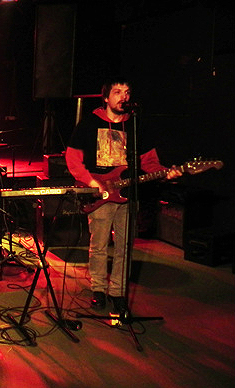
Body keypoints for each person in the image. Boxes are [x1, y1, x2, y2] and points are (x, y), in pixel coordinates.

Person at [65, 78, 181, 313]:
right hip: (101, 194)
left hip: (128, 194)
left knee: (124, 247)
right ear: (106, 98)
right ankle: (98, 290)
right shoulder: (89, 123)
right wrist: (92, 182)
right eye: (117, 92)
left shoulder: (136, 125)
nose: (123, 97)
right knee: (99, 245)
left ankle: (118, 292)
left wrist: (165, 173)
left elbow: (149, 162)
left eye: (127, 92)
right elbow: (72, 158)